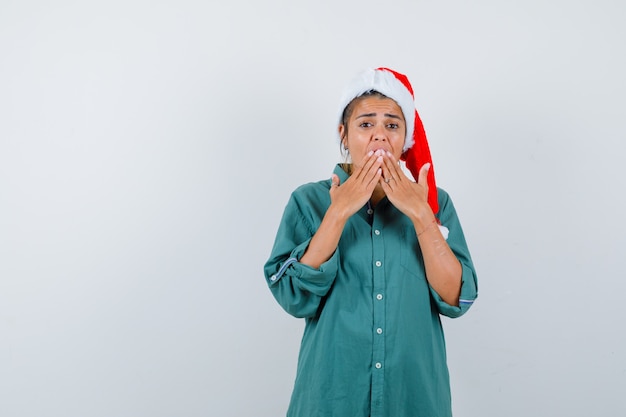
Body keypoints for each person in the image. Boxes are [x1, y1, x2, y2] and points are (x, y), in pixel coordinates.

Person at [264, 67, 478, 417]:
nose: (380, 135)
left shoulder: (435, 203)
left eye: (392, 125)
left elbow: (458, 297)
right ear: (343, 134)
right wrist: (338, 214)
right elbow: (292, 296)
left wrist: (422, 216)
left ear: (405, 137)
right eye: (366, 124)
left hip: (414, 401)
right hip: (330, 400)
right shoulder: (309, 202)